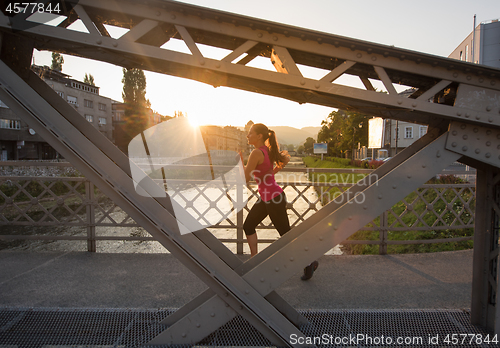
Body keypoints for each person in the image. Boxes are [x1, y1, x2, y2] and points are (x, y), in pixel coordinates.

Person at [239, 123, 318, 281]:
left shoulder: (256, 153)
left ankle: (309, 262)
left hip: (273, 199)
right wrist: (270, 174)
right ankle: (255, 261)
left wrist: (240, 162)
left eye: (250, 133)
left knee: (286, 237)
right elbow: (282, 163)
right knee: (248, 226)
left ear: (259, 136)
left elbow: (245, 179)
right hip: (268, 197)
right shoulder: (267, 150)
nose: (247, 136)